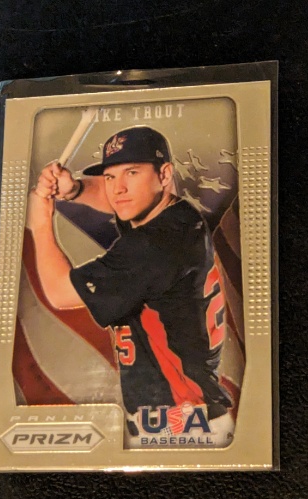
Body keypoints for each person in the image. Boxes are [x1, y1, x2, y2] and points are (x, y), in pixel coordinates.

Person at [27, 126, 234, 448]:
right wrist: (74, 189)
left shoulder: (153, 247)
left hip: (180, 421)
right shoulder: (172, 214)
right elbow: (116, 200)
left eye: (132, 172)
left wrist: (40, 221)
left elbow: (60, 292)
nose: (118, 188)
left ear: (164, 175)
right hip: (191, 414)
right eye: (110, 176)